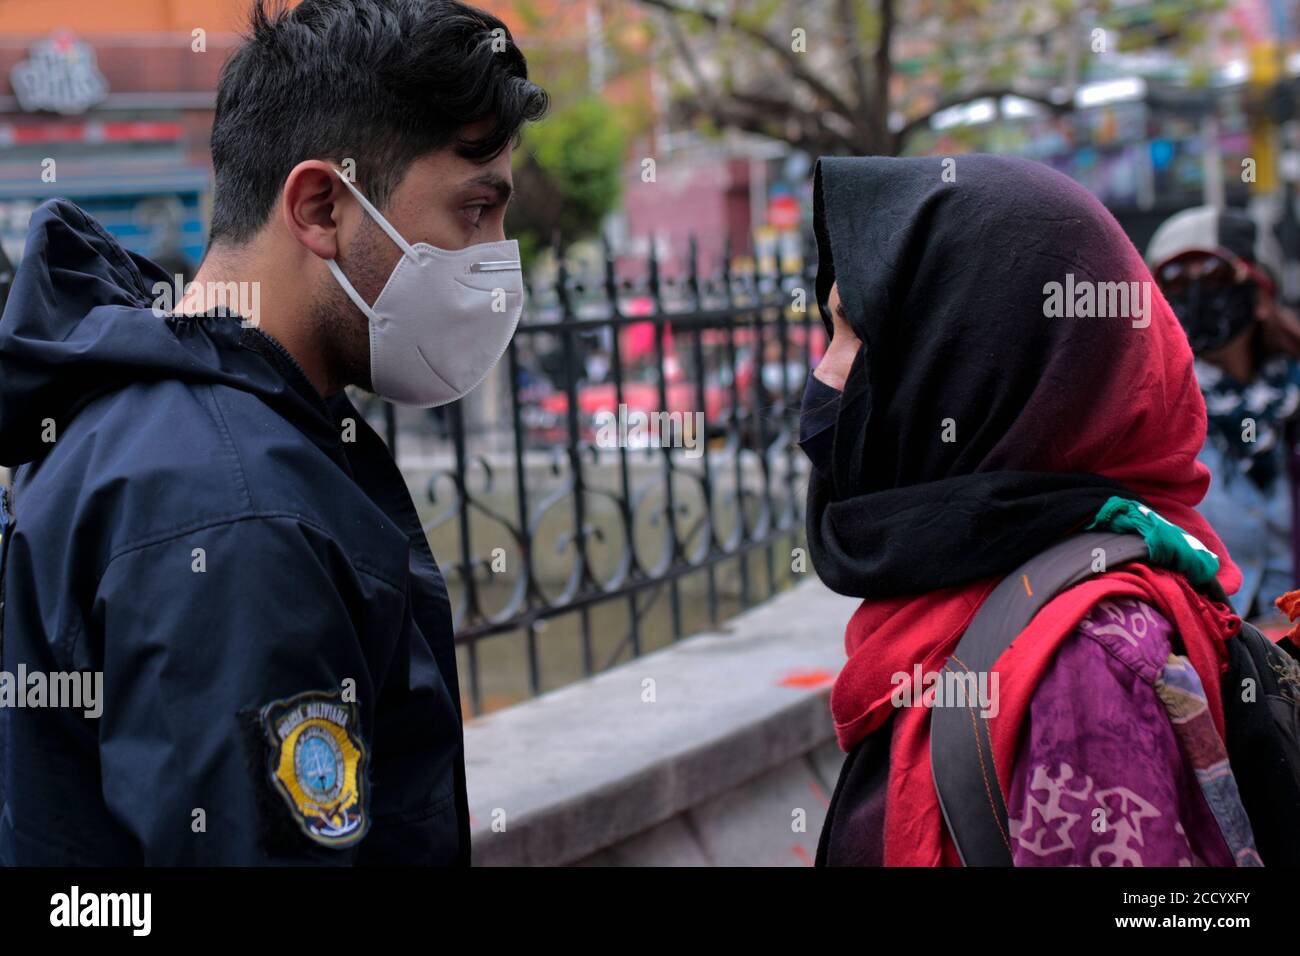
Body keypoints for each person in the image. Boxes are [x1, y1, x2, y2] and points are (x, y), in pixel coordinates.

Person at [0, 0, 547, 865]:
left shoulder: (146, 423)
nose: (497, 259)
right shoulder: (237, 514)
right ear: (322, 206)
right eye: (475, 211)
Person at [805, 155, 1261, 866]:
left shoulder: (1084, 663)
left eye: (855, 335)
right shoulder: (963, 603)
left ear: (970, 361)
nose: (824, 373)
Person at [1146, 206, 1300, 621]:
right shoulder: (1148, 419)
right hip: (1215, 657)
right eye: (1175, 281)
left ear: (1263, 296)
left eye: (1216, 276)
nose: (1196, 295)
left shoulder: (1291, 401)